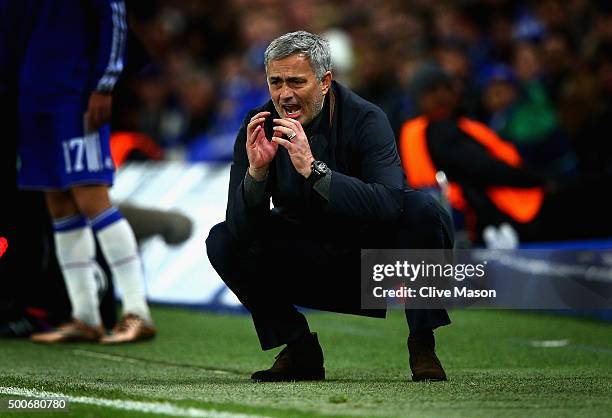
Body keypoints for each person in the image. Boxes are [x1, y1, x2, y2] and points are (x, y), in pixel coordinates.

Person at [206, 31, 452, 382]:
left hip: (373, 266)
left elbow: (387, 204)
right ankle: (299, 348)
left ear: (324, 82)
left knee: (422, 210)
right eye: (275, 82)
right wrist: (257, 175)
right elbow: (242, 231)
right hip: (312, 259)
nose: (284, 94)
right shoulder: (257, 125)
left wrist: (314, 171)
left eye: (296, 81)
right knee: (222, 240)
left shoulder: (367, 119)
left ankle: (422, 343)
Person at [16, 0, 156, 344]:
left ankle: (138, 311)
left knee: (91, 196)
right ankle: (85, 316)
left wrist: (105, 83)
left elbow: (114, 15)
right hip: (32, 94)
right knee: (58, 203)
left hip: (75, 94)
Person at [398, 63, 612, 243]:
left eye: (445, 88)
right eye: (432, 91)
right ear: (418, 99)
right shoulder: (439, 129)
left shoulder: (427, 130)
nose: (441, 96)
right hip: (501, 215)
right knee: (594, 192)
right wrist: (540, 181)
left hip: (485, 214)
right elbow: (484, 168)